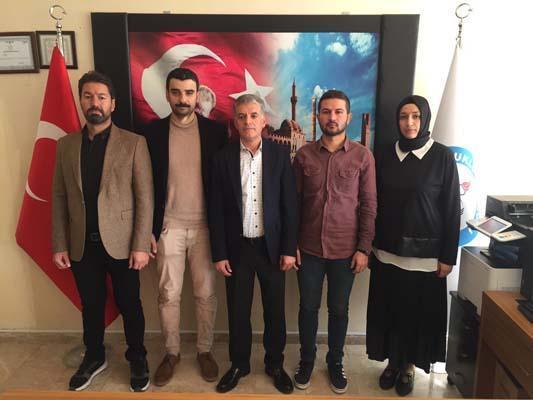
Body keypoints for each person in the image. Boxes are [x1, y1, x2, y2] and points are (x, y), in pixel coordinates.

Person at [51, 71, 153, 392]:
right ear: (81, 101)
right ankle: (94, 356)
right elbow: (59, 197)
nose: (94, 103)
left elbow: (145, 197)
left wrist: (140, 244)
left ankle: (137, 357)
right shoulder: (65, 145)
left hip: (123, 244)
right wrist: (59, 243)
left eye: (101, 97)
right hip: (82, 244)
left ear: (113, 103)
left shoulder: (134, 143)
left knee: (130, 304)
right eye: (88, 96)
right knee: (91, 305)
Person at [366, 95, 460, 396]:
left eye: (416, 116)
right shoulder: (384, 154)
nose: (409, 123)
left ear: (425, 119)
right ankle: (392, 363)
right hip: (387, 252)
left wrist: (448, 257)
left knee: (415, 316)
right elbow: (371, 202)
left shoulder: (442, 157)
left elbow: (451, 208)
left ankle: (408, 366)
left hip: (426, 257)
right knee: (389, 312)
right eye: (404, 116)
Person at [208, 94, 298, 394]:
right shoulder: (222, 158)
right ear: (235, 122)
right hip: (237, 249)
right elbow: (216, 209)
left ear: (264, 120)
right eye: (242, 116)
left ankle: (275, 364)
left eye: (254, 115)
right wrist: (219, 253)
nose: (248, 121)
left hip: (271, 248)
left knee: (275, 312)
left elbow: (289, 205)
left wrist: (289, 248)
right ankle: (239, 364)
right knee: (238, 312)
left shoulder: (279, 155)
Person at [143, 68, 227, 386]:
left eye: (189, 93)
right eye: (176, 92)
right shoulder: (151, 134)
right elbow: (145, 186)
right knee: (168, 294)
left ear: (197, 95)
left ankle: (205, 351)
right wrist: (148, 230)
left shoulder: (216, 133)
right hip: (168, 228)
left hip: (206, 228)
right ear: (167, 94)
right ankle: (172, 353)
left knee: (206, 294)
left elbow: (225, 184)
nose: (183, 99)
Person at [292, 89, 377, 394]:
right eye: (326, 111)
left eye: (338, 111)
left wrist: (363, 248)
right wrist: (292, 245)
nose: (332, 117)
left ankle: (335, 362)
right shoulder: (304, 155)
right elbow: (294, 204)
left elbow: (369, 205)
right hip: (309, 249)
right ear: (318, 115)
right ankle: (306, 360)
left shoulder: (363, 157)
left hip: (346, 250)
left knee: (339, 310)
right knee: (307, 308)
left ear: (348, 117)